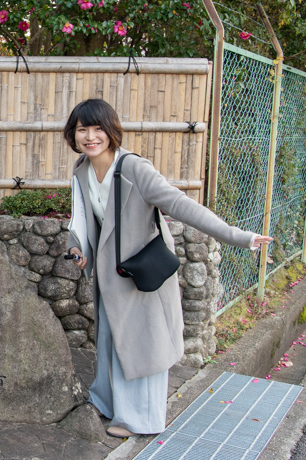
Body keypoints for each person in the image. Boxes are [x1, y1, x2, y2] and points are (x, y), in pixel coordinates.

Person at [63, 98, 272, 438]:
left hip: (140, 273)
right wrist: (76, 246)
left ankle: (140, 420)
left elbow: (180, 204)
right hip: (110, 275)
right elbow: (82, 217)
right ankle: (107, 403)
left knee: (143, 345)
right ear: (72, 134)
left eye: (98, 128)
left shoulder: (134, 168)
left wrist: (238, 236)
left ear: (112, 131)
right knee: (110, 340)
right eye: (82, 129)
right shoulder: (82, 170)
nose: (90, 137)